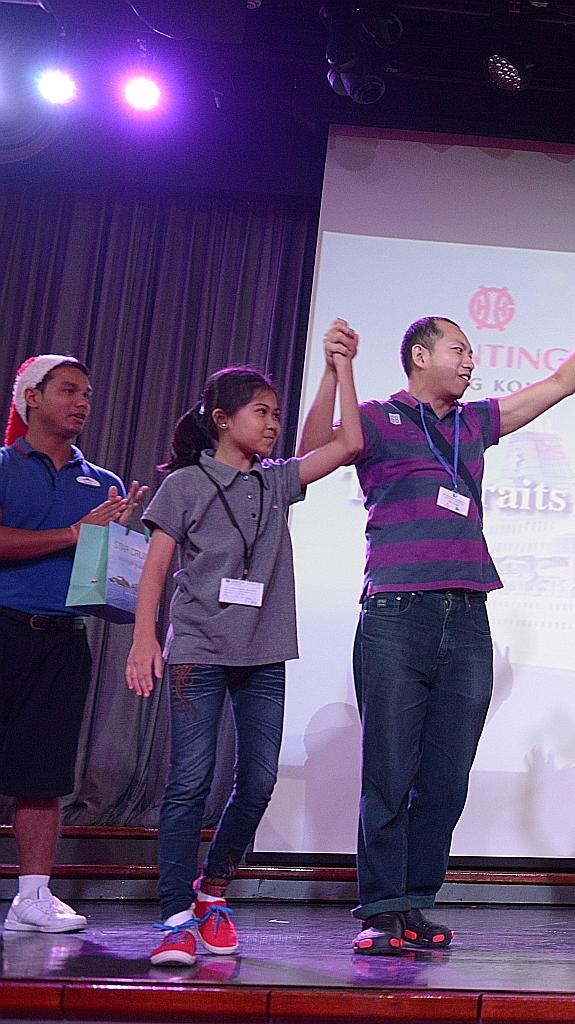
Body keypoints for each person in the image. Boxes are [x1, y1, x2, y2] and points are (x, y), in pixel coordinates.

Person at [297, 253, 575, 954]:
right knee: (389, 771)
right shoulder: (377, 418)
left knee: (446, 778)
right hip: (395, 614)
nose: (471, 361)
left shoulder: (473, 423)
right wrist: (333, 371)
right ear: (420, 355)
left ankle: (416, 900)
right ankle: (380, 908)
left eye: (474, 352)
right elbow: (307, 455)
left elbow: (559, 385)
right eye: (459, 349)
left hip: (467, 614)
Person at [128, 330, 364, 966]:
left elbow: (350, 443)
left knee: (257, 780)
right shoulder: (182, 485)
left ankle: (213, 891)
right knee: (188, 782)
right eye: (261, 411)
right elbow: (155, 569)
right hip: (200, 650)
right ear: (221, 419)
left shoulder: (276, 483)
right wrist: (144, 639)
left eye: (276, 414)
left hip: (262, 653)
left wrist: (337, 368)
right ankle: (175, 913)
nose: (272, 424)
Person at [0, 355, 146, 934]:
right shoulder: (4, 466)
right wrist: (72, 533)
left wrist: (118, 543)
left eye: (87, 392)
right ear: (31, 398)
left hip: (64, 641)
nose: (82, 401)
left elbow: (103, 582)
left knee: (44, 772)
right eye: (68, 390)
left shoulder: (103, 483)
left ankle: (32, 897)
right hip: (3, 627)